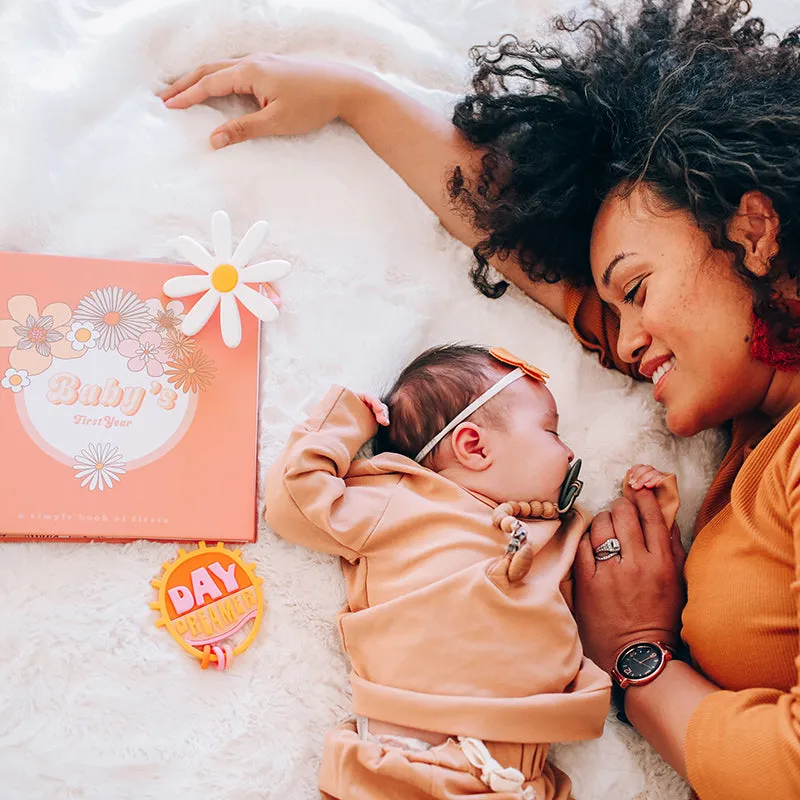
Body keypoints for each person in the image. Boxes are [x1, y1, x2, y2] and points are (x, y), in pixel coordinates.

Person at [160, 1, 800, 796]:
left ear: (755, 231)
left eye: (636, 289)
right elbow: (531, 254)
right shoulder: (748, 405)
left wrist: (640, 657)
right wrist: (358, 100)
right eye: (616, 310)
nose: (625, 340)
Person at [263, 343, 677, 800]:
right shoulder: (401, 501)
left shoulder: (555, 532)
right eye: (552, 432)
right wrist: (345, 421)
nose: (569, 450)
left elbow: (613, 591)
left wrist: (651, 509)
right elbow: (293, 501)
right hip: (408, 753)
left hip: (521, 771)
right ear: (475, 446)